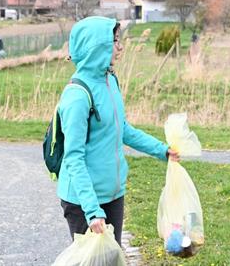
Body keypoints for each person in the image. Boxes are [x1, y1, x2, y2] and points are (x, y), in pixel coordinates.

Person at [57, 16, 180, 246]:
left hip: (113, 195)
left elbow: (122, 130)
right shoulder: (77, 96)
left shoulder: (109, 81)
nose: (120, 46)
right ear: (97, 46)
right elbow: (73, 157)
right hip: (83, 201)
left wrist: (162, 151)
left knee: (113, 257)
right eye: (114, 41)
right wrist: (92, 211)